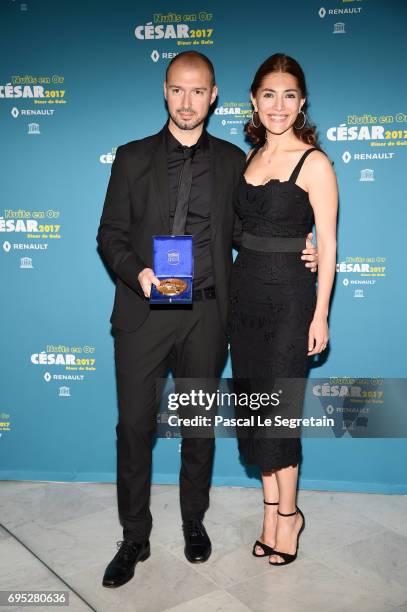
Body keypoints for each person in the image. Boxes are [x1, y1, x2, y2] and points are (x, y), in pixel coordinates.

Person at [96, 51, 319, 588]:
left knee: (198, 425)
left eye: (199, 92)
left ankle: (193, 521)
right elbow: (110, 235)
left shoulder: (232, 162)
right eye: (178, 90)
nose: (187, 101)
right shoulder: (131, 157)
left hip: (208, 314)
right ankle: (134, 536)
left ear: (214, 95)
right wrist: (139, 273)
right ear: (165, 91)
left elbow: (256, 227)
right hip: (144, 311)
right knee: (134, 426)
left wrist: (303, 248)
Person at [228, 53, 338, 566]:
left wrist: (320, 315)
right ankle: (270, 513)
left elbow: (329, 245)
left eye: (289, 95)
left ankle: (289, 519)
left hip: (291, 303)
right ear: (254, 100)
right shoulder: (245, 159)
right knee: (254, 411)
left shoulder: (314, 162)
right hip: (243, 298)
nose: (278, 106)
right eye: (268, 95)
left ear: (301, 103)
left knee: (280, 415)